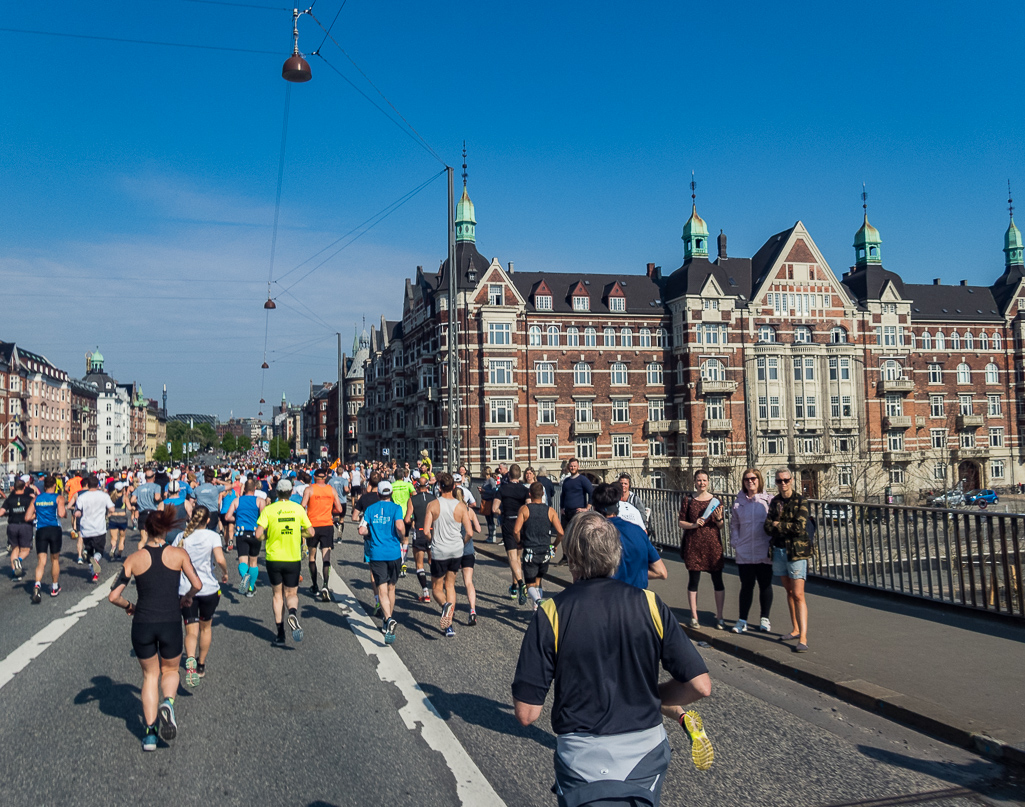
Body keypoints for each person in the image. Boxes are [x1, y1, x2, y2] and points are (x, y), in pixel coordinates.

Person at [512, 512, 713, 805]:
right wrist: (652, 695)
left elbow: (526, 714)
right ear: (615, 554)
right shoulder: (650, 604)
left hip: (582, 759)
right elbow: (700, 686)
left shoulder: (550, 613)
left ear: (571, 557)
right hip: (645, 753)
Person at [108, 508, 202, 751]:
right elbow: (197, 584)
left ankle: (150, 734)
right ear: (166, 529)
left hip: (143, 623)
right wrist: (187, 598)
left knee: (150, 676)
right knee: (170, 670)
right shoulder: (178, 554)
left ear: (146, 530)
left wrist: (130, 606)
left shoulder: (133, 558)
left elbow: (113, 596)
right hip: (170, 620)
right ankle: (168, 703)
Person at [173, 506, 229, 686]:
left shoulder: (181, 537)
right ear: (207, 520)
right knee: (206, 627)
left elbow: (172, 561)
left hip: (186, 589)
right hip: (208, 588)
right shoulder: (213, 536)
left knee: (191, 629)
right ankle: (201, 664)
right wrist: (225, 572)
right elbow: (220, 559)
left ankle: (189, 659)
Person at [256, 479, 313, 647]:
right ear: (291, 492)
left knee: (277, 595)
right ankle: (293, 614)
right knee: (291, 594)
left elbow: (258, 534)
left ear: (277, 492)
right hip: (292, 557)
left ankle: (280, 633)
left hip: (274, 558)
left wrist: (268, 536)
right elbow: (311, 531)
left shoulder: (269, 510)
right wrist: (297, 532)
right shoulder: (297, 509)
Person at [765, 468, 811, 652]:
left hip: (797, 552)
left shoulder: (801, 500)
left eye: (785, 480)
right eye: (779, 481)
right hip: (779, 550)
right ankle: (795, 629)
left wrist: (778, 525)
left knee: (799, 594)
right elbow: (767, 527)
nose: (782, 484)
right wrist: (781, 526)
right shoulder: (775, 501)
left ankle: (804, 638)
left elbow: (800, 527)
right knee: (789, 592)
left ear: (792, 480)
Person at [423, 473, 475, 637]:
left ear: (439, 487)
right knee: (450, 585)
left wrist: (433, 540)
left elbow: (425, 531)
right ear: (454, 487)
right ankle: (449, 625)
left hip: (440, 551)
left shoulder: (432, 505)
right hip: (456, 550)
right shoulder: (461, 507)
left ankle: (445, 605)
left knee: (437, 588)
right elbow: (470, 532)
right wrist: (462, 542)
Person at [592, 482, 667, 590]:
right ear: (617, 505)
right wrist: (635, 574)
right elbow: (661, 572)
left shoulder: (595, 534)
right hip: (638, 600)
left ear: (594, 509)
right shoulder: (638, 531)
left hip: (609, 598)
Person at [358, 480, 405, 644]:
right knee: (392, 587)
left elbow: (361, 530)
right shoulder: (397, 508)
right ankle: (388, 620)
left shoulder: (370, 509)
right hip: (394, 553)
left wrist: (370, 530)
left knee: (382, 589)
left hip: (377, 553)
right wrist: (402, 535)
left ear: (378, 494)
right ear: (390, 494)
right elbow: (400, 526)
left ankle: (388, 619)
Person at [678, 470, 726, 629]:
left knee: (718, 581)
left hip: (713, 546)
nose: (702, 483)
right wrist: (693, 525)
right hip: (694, 545)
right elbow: (681, 522)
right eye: (699, 480)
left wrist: (719, 519)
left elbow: (720, 525)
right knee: (693, 581)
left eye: (704, 480)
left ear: (708, 481)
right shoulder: (688, 500)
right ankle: (694, 616)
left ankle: (720, 616)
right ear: (694, 481)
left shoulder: (716, 501)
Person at [730, 469, 774, 634]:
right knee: (746, 586)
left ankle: (765, 618)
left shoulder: (768, 501)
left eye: (753, 478)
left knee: (765, 585)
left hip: (763, 550)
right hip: (745, 551)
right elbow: (734, 525)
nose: (750, 482)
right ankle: (742, 620)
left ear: (759, 480)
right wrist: (736, 542)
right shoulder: (738, 503)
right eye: (747, 479)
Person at [512, 481, 564, 611]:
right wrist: (554, 545)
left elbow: (516, 531)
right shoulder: (550, 511)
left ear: (530, 493)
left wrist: (519, 542)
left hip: (530, 550)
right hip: (546, 550)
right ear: (543, 494)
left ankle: (538, 601)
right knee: (539, 579)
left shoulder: (525, 509)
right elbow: (561, 532)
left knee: (529, 584)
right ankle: (536, 609)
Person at [301, 467, 344, 601]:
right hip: (327, 525)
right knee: (326, 556)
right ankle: (325, 584)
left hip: (312, 526)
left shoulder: (309, 489)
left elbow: (302, 506)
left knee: (312, 557)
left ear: (314, 477)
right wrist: (330, 510)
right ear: (325, 478)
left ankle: (314, 586)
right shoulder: (331, 490)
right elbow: (340, 508)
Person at [25, 476, 66, 602]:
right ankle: (54, 587)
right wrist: (65, 514)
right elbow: (61, 514)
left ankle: (37, 584)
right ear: (54, 485)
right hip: (54, 530)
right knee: (55, 559)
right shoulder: (58, 498)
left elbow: (27, 517)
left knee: (41, 561)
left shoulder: (37, 499)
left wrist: (37, 514)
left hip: (41, 530)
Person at [494, 463, 530, 604]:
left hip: (509, 522)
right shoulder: (524, 489)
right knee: (518, 558)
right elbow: (528, 506)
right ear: (519, 475)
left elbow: (494, 508)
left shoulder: (502, 489)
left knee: (511, 557)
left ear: (509, 475)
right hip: (521, 523)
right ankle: (514, 587)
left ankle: (521, 584)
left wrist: (502, 511)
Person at [225, 478, 264, 596]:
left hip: (241, 533)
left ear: (245, 489)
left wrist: (237, 519)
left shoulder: (237, 501)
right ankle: (251, 588)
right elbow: (264, 517)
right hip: (255, 533)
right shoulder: (260, 501)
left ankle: (244, 575)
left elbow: (227, 517)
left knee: (243, 560)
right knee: (253, 562)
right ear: (255, 489)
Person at [76, 476, 115, 583]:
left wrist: (77, 514)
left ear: (87, 485)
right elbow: (112, 508)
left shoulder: (82, 497)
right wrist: (107, 513)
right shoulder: (104, 496)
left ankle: (94, 574)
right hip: (99, 528)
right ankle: (96, 560)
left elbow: (78, 511)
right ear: (98, 485)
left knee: (89, 551)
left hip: (86, 529)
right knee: (99, 551)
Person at [407, 475, 436, 602]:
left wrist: (413, 520)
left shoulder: (412, 499)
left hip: (419, 532)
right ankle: (437, 586)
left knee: (419, 564)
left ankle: (425, 592)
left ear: (417, 486)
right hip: (431, 532)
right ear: (428, 486)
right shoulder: (434, 499)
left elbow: (407, 519)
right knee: (432, 561)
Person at [1, 478, 35, 580]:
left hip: (12, 526)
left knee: (14, 549)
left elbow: (1, 512)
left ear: (14, 488)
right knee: (26, 550)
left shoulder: (9, 499)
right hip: (25, 525)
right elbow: (35, 512)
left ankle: (14, 573)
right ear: (24, 487)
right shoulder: (29, 499)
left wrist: (9, 513)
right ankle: (18, 561)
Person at [390, 468, 416, 578]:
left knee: (397, 539)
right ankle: (403, 564)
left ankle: (397, 561)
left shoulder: (391, 486)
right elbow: (415, 495)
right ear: (403, 476)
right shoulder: (408, 485)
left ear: (395, 476)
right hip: (407, 515)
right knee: (406, 539)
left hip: (395, 515)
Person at [131, 468, 163, 549]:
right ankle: (157, 555)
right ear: (154, 477)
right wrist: (160, 499)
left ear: (145, 478)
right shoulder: (157, 487)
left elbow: (132, 500)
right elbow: (157, 497)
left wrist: (140, 501)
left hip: (143, 514)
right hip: (153, 514)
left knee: (143, 539)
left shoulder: (139, 488)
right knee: (157, 538)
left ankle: (140, 557)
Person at [559, 457, 593, 529]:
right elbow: (563, 495)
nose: (573, 468)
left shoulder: (583, 480)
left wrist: (587, 508)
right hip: (566, 513)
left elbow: (591, 492)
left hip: (578, 512)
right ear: (569, 467)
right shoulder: (566, 481)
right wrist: (561, 508)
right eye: (571, 466)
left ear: (578, 467)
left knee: (577, 534)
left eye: (574, 466)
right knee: (566, 535)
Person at [108, 481, 130, 560]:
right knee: (122, 537)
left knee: (114, 538)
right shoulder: (124, 498)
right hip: (122, 518)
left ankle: (113, 547)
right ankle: (119, 554)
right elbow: (129, 508)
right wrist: (134, 508)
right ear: (123, 489)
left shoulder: (111, 497)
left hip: (113, 518)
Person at [479, 467, 499, 543]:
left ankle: (492, 536)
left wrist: (484, 491)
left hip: (489, 501)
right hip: (485, 500)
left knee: (490, 520)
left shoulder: (491, 480)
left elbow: (494, 491)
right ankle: (490, 536)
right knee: (488, 520)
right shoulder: (486, 480)